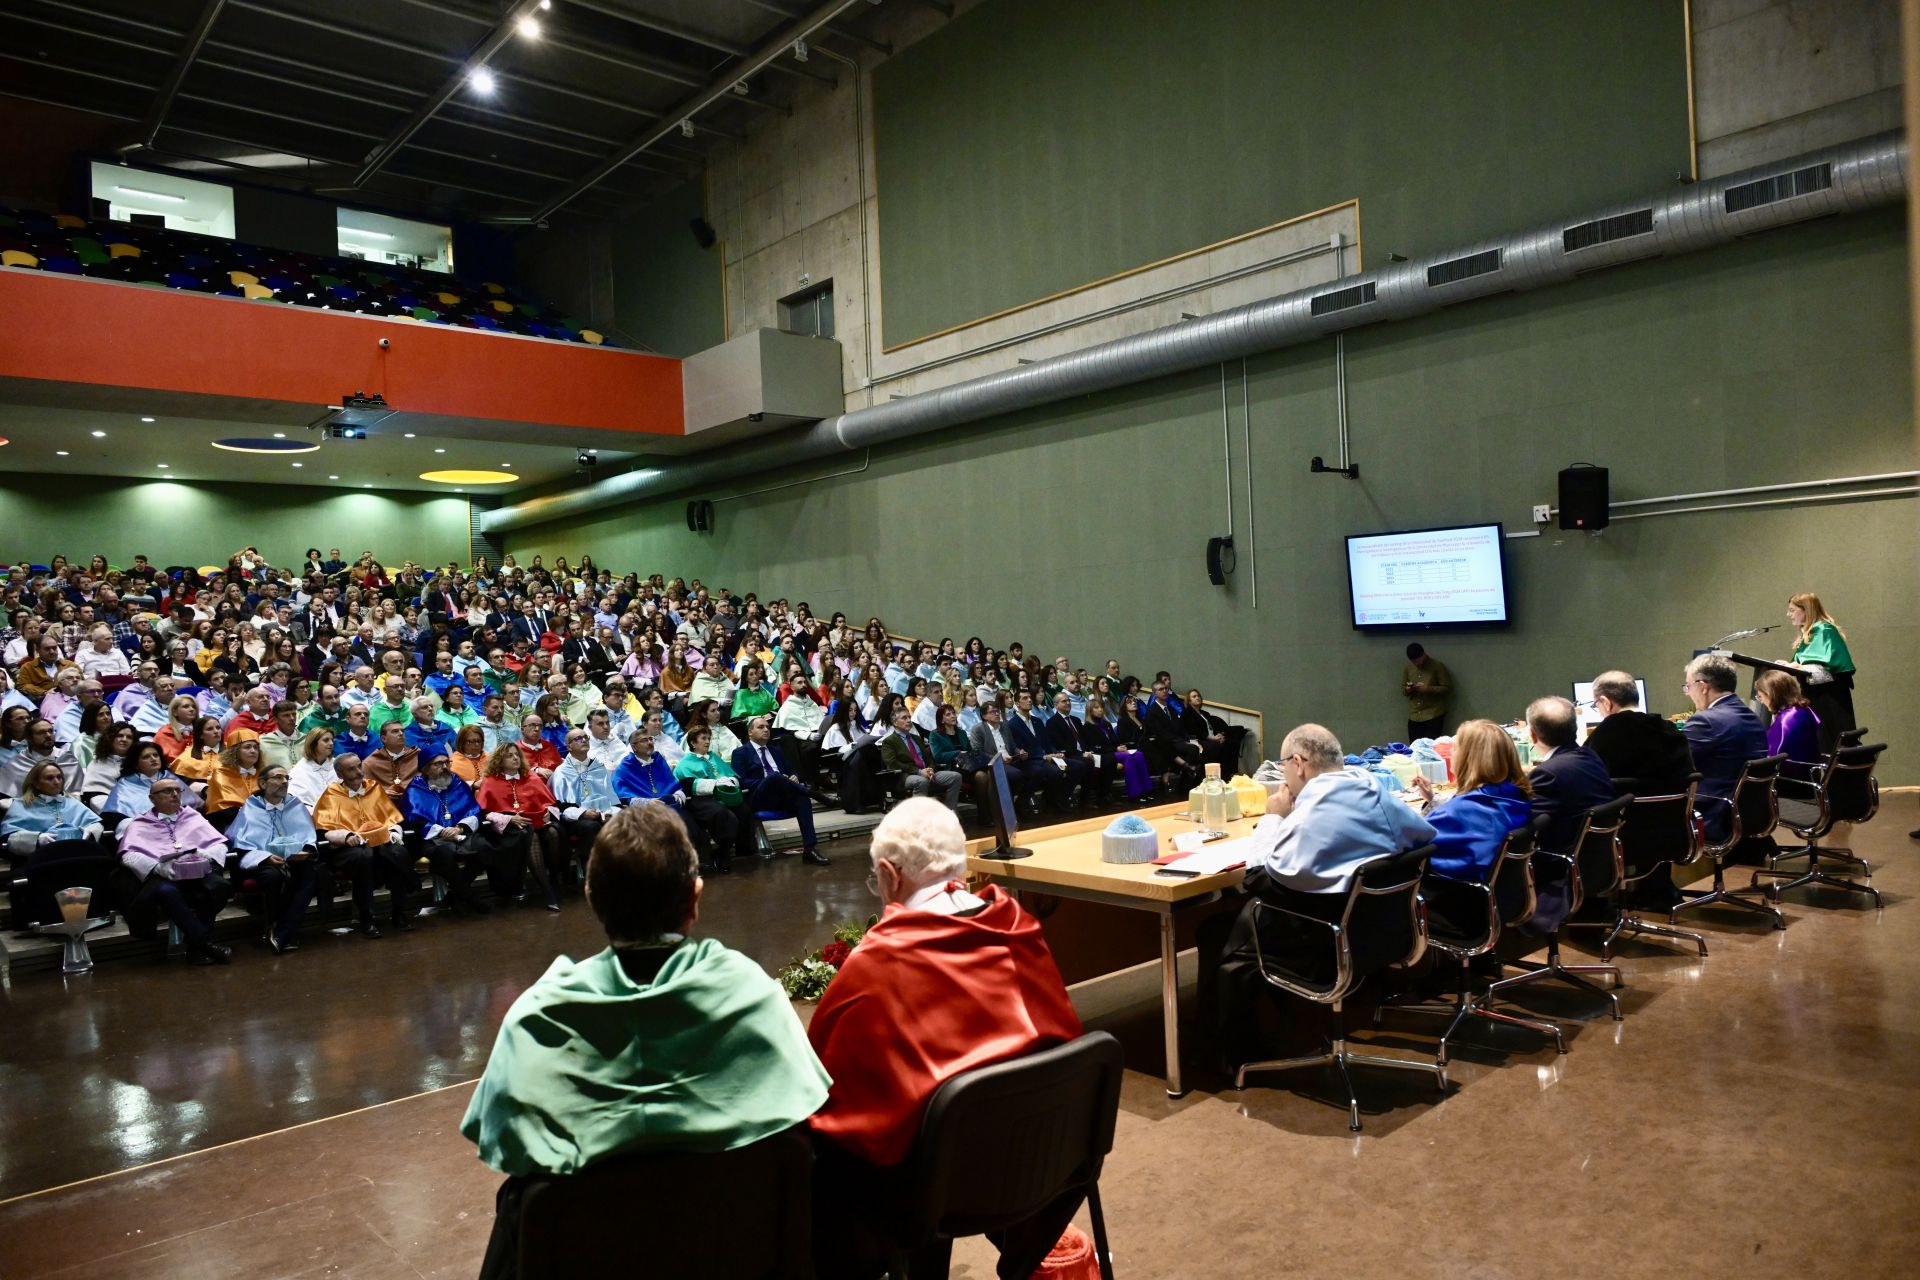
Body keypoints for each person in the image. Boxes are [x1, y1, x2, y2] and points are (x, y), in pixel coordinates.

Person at [464, 804, 829, 1278]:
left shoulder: (535, 1018)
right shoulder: (752, 992)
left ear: (593, 898)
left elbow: (508, 1147)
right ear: (695, 898)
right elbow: (802, 1120)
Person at [807, 799, 1084, 1279]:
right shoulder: (1016, 928)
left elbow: (824, 1084)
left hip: (939, 1192)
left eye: (877, 879)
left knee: (812, 1155)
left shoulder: (881, 960)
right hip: (1043, 1163)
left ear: (891, 875)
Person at [1198, 723, 1435, 1067]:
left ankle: (1224, 1054)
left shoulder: (1311, 812)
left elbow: (1258, 877)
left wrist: (1273, 818)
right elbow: (1422, 837)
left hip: (1325, 943)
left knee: (1219, 928)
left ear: (1299, 763)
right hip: (1381, 934)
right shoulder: (1371, 790)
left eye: (1282, 766)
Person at [112, 775, 233, 965]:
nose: (174, 794)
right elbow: (129, 855)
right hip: (164, 877)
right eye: (167, 791)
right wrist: (159, 868)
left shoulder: (193, 816)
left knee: (214, 889)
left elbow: (219, 844)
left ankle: (196, 949)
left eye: (178, 790)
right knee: (166, 892)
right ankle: (205, 945)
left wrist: (205, 856)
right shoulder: (139, 823)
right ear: (152, 798)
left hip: (196, 873)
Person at [312, 751, 419, 937]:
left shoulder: (374, 788)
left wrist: (392, 833)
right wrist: (345, 836)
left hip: (380, 841)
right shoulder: (332, 794)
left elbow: (392, 819)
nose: (358, 771)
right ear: (340, 774)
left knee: (396, 852)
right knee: (364, 858)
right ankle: (366, 917)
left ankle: (399, 912)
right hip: (349, 848)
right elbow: (323, 829)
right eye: (351, 769)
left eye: (359, 766)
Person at [226, 762, 322, 954]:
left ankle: (283, 931)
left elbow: (309, 838)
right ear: (262, 783)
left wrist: (305, 852)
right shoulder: (250, 807)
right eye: (278, 777)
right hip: (261, 862)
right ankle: (278, 927)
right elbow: (243, 845)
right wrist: (266, 857)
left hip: (294, 860)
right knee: (274, 876)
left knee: (314, 872)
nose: (284, 782)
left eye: (286, 778)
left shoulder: (295, 804)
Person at [1681, 653, 1768, 843]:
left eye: (1688, 686)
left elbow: (1674, 764)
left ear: (1703, 687)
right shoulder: (1751, 716)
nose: (1688, 692)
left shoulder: (1706, 721)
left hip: (1714, 814)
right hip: (1750, 811)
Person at [402, 749, 492, 915]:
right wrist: (441, 831)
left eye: (446, 763)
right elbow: (413, 817)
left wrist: (459, 828)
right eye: (438, 764)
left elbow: (474, 809)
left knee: (484, 847)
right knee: (446, 852)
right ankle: (470, 897)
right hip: (431, 839)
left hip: (461, 833)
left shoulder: (457, 782)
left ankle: (455, 894)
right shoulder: (415, 787)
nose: (444, 767)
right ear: (426, 768)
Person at [475, 743, 563, 910]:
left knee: (553, 832)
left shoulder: (531, 776)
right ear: (500, 760)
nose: (515, 758)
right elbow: (485, 813)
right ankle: (548, 892)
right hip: (510, 829)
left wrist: (550, 812)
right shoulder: (490, 781)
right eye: (509, 755)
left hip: (537, 822)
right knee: (531, 836)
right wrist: (508, 819)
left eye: (517, 754)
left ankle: (554, 879)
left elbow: (551, 803)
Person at [1525, 696, 1617, 855]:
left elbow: (1525, 826)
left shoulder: (1547, 774)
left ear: (1533, 735)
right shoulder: (1590, 756)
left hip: (1559, 864)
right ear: (1575, 728)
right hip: (1597, 859)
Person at [731, 715, 829, 863]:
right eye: (761, 727)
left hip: (782, 795)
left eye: (767, 727)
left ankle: (810, 849)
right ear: (750, 732)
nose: (766, 730)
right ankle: (816, 794)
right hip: (759, 797)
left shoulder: (776, 750)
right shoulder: (740, 752)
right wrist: (769, 780)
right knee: (774, 777)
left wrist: (794, 777)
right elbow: (741, 781)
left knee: (802, 799)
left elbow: (792, 771)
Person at [1581, 670, 1694, 795]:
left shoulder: (1603, 735)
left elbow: (1584, 777)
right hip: (1674, 812)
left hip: (1624, 813)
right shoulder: (1671, 730)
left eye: (1596, 705)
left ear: (1606, 702)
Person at [672, 724, 750, 874]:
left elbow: (732, 775)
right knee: (721, 813)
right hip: (700, 800)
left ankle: (741, 851)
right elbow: (688, 785)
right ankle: (724, 852)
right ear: (693, 743)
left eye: (709, 738)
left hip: (723, 796)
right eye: (703, 738)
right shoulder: (685, 763)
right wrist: (715, 784)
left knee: (744, 810)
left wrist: (731, 781)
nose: (707, 741)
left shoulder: (714, 757)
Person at [1784, 592, 1855, 755]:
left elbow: (1825, 671)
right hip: (1816, 698)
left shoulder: (1823, 630)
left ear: (1806, 610)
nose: (1789, 615)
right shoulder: (1809, 633)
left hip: (1830, 700)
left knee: (1833, 747)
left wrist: (1796, 667)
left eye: (1792, 610)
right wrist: (1791, 666)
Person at [552, 727, 622, 877]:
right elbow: (561, 807)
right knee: (591, 826)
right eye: (578, 738)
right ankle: (592, 872)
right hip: (574, 818)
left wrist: (610, 813)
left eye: (585, 737)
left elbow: (611, 797)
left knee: (621, 822)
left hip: (603, 812)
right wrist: (583, 813)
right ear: (569, 747)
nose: (583, 740)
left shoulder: (598, 766)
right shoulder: (561, 772)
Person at [879, 703, 962, 810]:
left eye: (909, 717)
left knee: (955, 777)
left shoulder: (917, 738)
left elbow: (930, 758)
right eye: (904, 718)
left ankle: (950, 812)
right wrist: (919, 772)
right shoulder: (889, 741)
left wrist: (931, 769)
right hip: (906, 776)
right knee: (921, 781)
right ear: (895, 722)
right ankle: (918, 818)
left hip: (927, 772)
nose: (909, 720)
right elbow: (893, 763)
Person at [1755, 668, 1821, 782]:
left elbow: (1773, 756)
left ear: (1771, 694)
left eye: (1760, 696)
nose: (1761, 701)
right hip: (1808, 776)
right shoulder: (1802, 710)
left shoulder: (1788, 718)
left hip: (1790, 782)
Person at [1402, 643, 1452, 741]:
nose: (1417, 664)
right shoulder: (1408, 667)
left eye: (1418, 660)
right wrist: (1409, 689)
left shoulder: (1437, 666)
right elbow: (1403, 689)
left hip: (1433, 715)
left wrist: (1427, 689)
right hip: (1414, 715)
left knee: (1431, 750)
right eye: (1413, 662)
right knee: (1414, 749)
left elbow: (1447, 688)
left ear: (1424, 654)